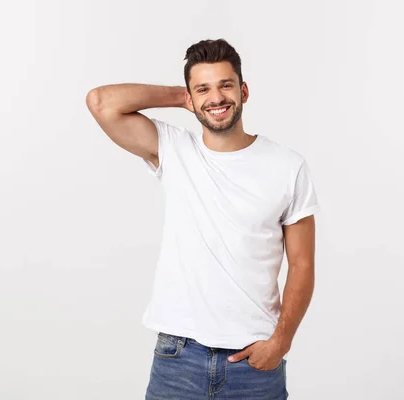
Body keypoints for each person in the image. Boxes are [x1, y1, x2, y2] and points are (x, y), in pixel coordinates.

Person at [86, 38, 321, 400]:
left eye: (226, 85)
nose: (217, 98)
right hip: (178, 358)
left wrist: (281, 342)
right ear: (191, 98)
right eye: (203, 90)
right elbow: (101, 102)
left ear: (243, 90)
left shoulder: (287, 166)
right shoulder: (174, 149)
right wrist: (181, 97)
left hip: (254, 364)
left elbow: (302, 263)